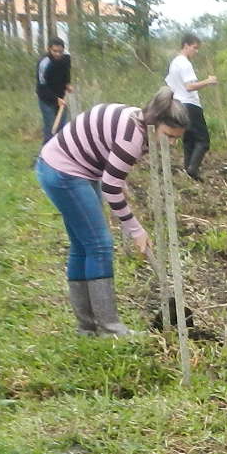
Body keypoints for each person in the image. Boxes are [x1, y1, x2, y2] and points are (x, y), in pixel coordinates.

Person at [35, 89, 187, 337]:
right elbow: (110, 189)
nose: (171, 143)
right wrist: (135, 230)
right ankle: (109, 328)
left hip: (65, 166)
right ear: (154, 122)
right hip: (65, 173)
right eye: (169, 136)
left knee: (82, 245)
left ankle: (87, 327)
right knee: (99, 245)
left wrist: (118, 178)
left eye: (176, 139)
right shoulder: (133, 138)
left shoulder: (136, 121)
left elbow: (108, 152)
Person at [166, 33, 217, 179]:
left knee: (189, 139)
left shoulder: (174, 63)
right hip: (190, 104)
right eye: (194, 48)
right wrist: (208, 81)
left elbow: (171, 84)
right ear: (186, 46)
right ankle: (193, 169)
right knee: (203, 140)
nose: (196, 51)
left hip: (178, 104)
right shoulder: (184, 63)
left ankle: (188, 168)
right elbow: (189, 86)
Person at [35, 38, 71, 139]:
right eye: (55, 51)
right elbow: (42, 87)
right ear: (49, 49)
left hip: (61, 98)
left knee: (61, 131)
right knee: (50, 130)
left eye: (60, 51)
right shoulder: (43, 63)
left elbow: (66, 72)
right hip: (46, 99)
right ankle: (44, 154)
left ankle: (60, 153)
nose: (58, 54)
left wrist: (68, 83)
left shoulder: (66, 59)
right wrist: (56, 99)